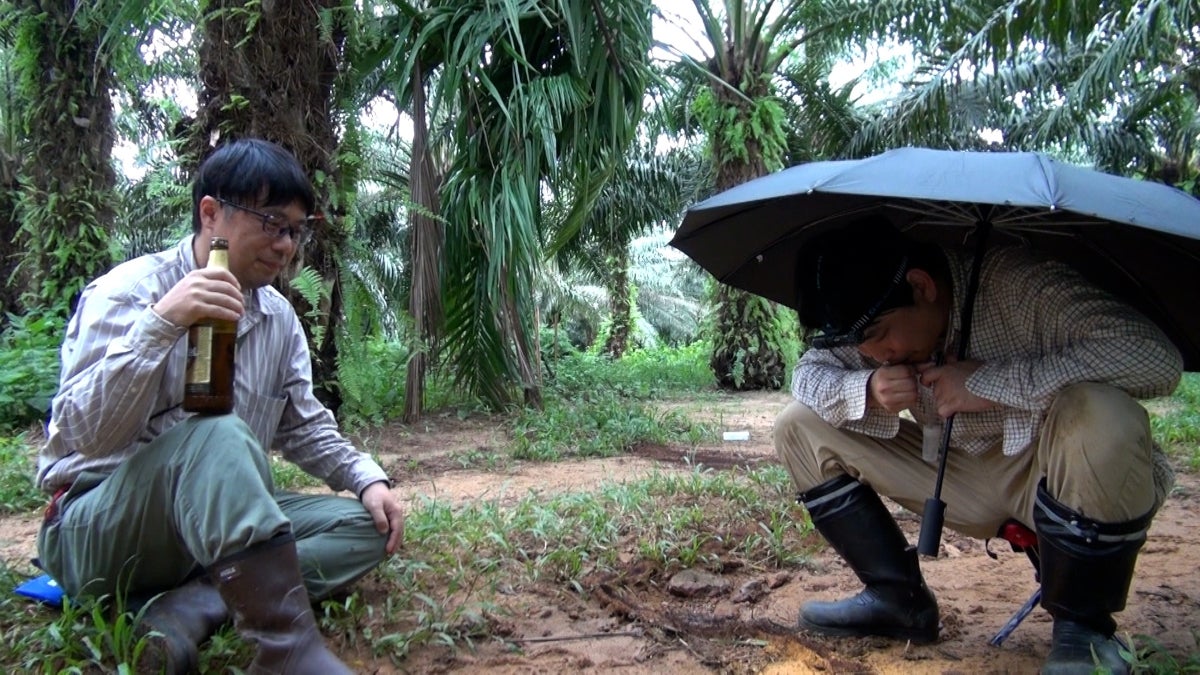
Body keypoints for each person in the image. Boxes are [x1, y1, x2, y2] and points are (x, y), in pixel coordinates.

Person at [36, 138, 405, 674]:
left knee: (365, 528)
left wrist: (368, 479)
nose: (285, 246)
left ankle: (201, 602)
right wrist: (162, 323)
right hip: (100, 524)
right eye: (272, 222)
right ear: (211, 213)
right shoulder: (130, 292)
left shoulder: (277, 318)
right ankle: (286, 649)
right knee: (217, 432)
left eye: (295, 231)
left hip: (209, 532)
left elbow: (304, 427)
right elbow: (83, 436)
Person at [774, 215, 1182, 675]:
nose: (875, 353)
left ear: (921, 286)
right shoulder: (877, 316)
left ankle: (1083, 633)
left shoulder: (1023, 284)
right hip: (959, 478)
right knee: (798, 425)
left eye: (878, 338)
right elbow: (808, 374)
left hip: (1051, 472)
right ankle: (898, 602)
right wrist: (866, 387)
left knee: (1104, 412)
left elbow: (1155, 357)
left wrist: (990, 384)